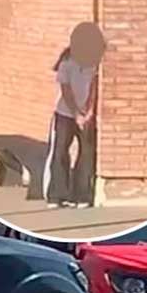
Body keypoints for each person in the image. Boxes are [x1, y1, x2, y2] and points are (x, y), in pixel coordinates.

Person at [43, 22, 106, 209]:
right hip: (65, 113)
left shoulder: (95, 62)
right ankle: (57, 195)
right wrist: (76, 113)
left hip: (86, 114)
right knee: (60, 151)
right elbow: (66, 90)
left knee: (86, 152)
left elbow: (95, 86)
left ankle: (81, 196)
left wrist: (89, 111)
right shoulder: (67, 62)